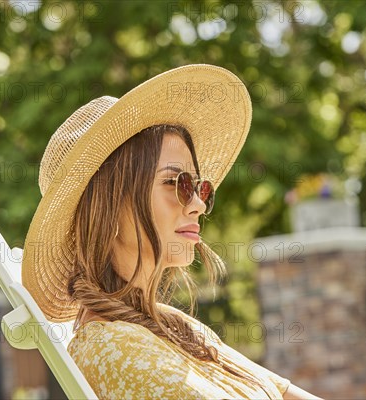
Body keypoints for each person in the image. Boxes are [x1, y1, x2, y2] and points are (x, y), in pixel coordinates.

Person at [21, 64, 322, 399]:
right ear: (107, 206)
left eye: (198, 186)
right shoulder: (113, 349)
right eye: (173, 182)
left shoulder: (172, 324)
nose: (199, 205)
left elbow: (283, 392)